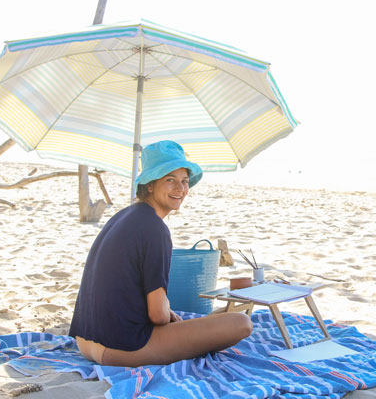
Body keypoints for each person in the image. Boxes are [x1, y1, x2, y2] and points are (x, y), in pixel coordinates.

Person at [69, 140, 252, 367]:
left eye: (184, 181)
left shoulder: (124, 215)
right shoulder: (155, 229)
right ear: (149, 185)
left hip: (85, 341)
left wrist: (166, 311)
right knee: (242, 322)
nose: (180, 189)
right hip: (120, 347)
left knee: (205, 319)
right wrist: (165, 313)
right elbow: (157, 316)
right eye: (170, 180)